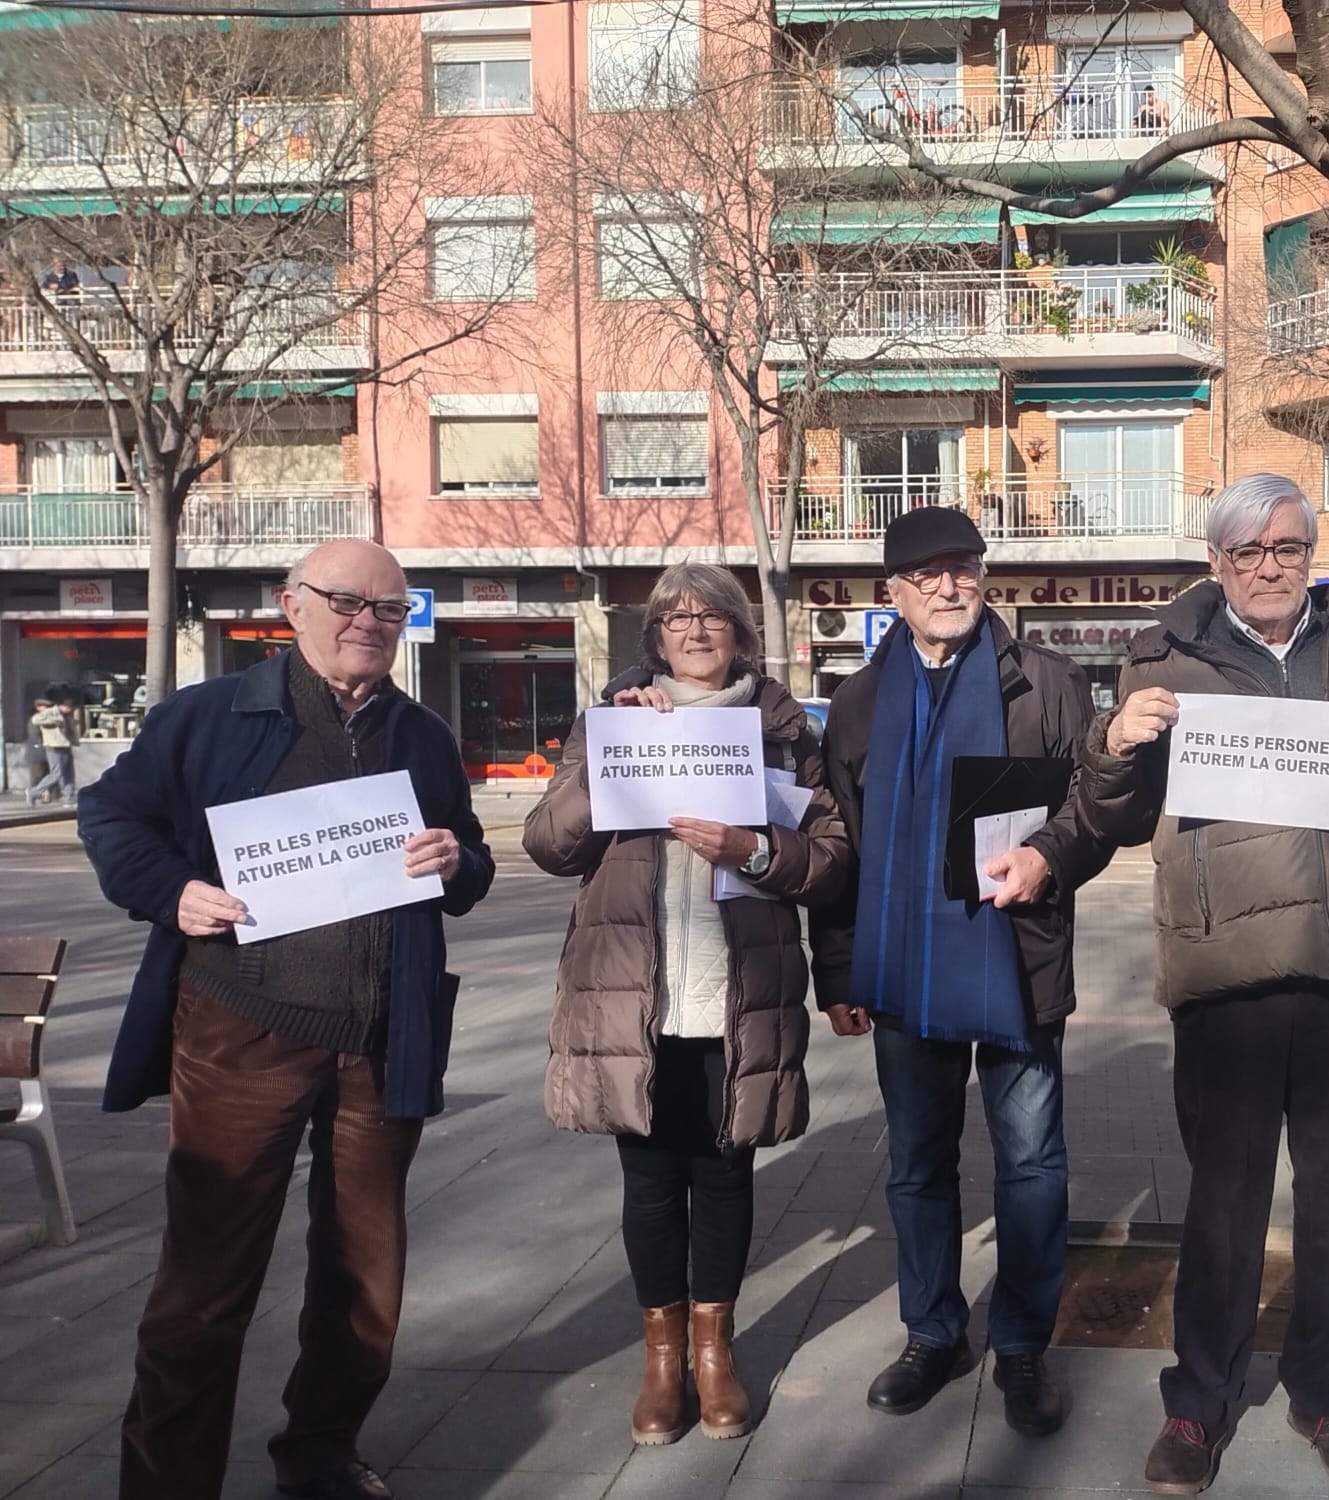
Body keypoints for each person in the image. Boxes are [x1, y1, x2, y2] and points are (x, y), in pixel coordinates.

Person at [76, 539, 494, 1500]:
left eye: (389, 608)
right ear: (291, 604)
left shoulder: (422, 734)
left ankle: (321, 1456)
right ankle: (167, 1483)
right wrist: (172, 891)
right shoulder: (211, 714)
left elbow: (467, 862)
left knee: (364, 1280)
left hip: (383, 1039)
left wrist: (456, 861)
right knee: (205, 1283)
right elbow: (111, 816)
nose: (368, 623)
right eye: (347, 601)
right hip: (242, 1028)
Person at [1076, 472, 1329, 1497]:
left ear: (1309, 555)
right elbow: (1112, 816)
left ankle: (1327, 1393)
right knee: (1223, 1206)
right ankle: (1198, 1405)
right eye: (1246, 552)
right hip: (1227, 976)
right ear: (1215, 563)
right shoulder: (1159, 658)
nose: (1268, 568)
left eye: (1286, 548)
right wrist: (1112, 745)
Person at [523, 563, 850, 1447]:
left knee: (726, 1173)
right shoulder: (609, 723)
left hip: (737, 993)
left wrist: (755, 850)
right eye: (677, 617)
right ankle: (663, 1361)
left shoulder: (782, 730)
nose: (696, 630)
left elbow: (831, 859)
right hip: (634, 992)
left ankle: (715, 1353)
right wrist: (608, 760)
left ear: (740, 633)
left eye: (714, 616)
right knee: (650, 1181)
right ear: (656, 637)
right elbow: (548, 845)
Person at [812, 508, 1113, 1436]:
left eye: (965, 568)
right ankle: (933, 1333)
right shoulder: (859, 702)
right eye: (928, 574)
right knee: (916, 1165)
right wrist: (837, 971)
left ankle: (1021, 1345)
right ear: (894, 594)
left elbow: (1098, 808)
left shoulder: (1046, 683)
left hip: (1017, 962)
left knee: (1032, 1166)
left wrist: (1049, 858)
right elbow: (840, 844)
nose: (950, 587)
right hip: (903, 969)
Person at [26, 695, 72, 805]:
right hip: (52, 747)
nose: (46, 708)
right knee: (55, 774)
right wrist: (54, 714)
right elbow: (36, 722)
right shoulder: (45, 715)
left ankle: (68, 796)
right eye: (44, 706)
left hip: (64, 746)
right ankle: (34, 792)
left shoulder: (64, 715)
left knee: (67, 774)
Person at [19, 695, 51, 797]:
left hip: (43, 749)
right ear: (38, 707)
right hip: (36, 750)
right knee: (37, 774)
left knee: (45, 773)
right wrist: (41, 745)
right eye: (45, 707)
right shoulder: (35, 719)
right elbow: (35, 735)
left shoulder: (44, 717)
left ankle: (44, 794)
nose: (47, 709)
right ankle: (32, 793)